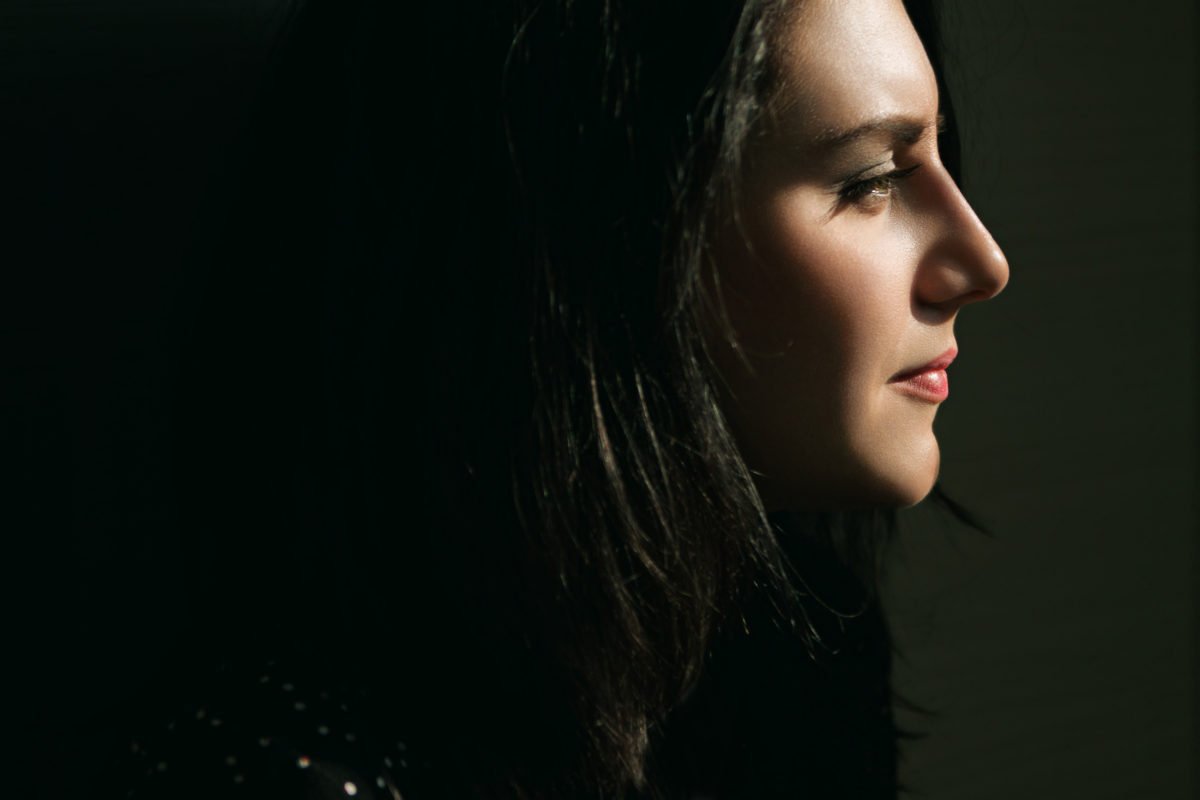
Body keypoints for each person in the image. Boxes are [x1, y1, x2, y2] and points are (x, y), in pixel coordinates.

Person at [112, 0, 1007, 797]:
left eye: (937, 152)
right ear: (613, 240)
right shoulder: (294, 767)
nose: (982, 262)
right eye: (870, 181)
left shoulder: (799, 663)